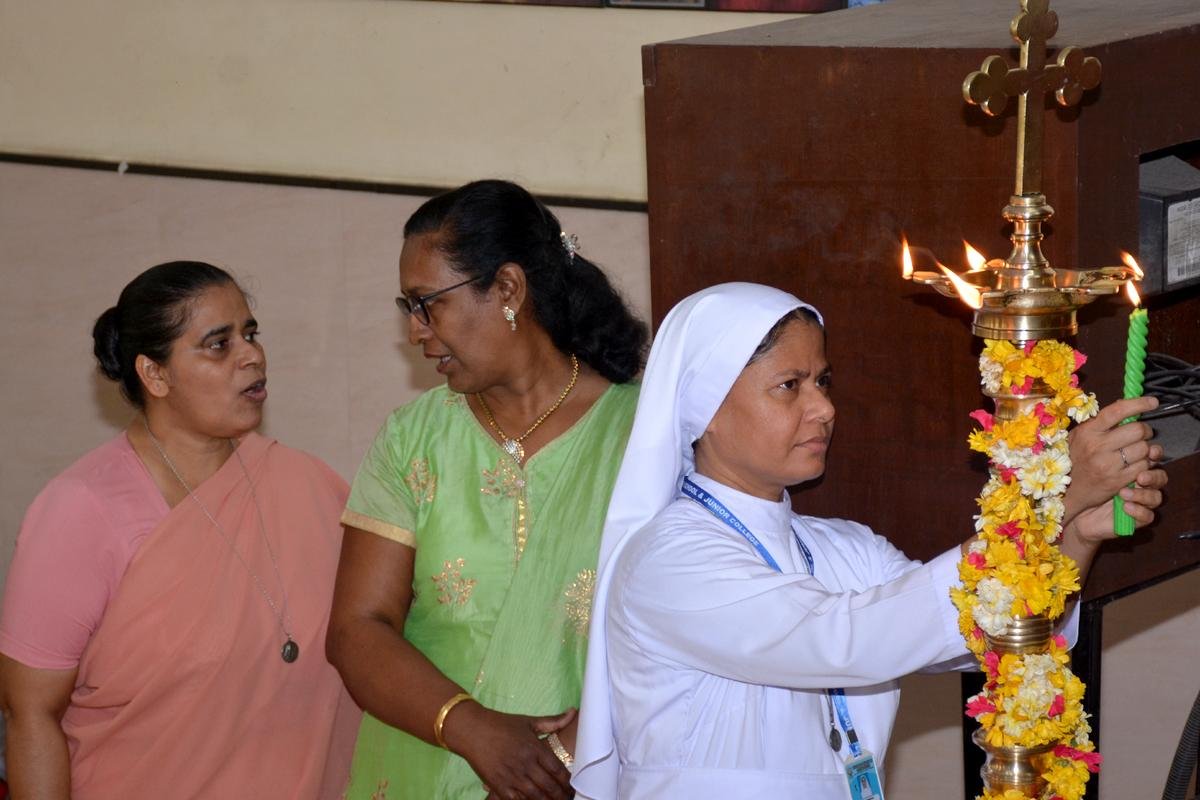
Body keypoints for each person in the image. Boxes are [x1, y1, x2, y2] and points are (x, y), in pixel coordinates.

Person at [572, 282, 1166, 799]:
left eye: (823, 381)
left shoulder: (845, 549)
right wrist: (1051, 500)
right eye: (789, 385)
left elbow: (981, 636)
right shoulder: (668, 559)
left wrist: (1074, 532)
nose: (824, 408)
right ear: (705, 405)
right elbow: (842, 639)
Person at [326, 180, 648, 800]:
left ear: (507, 289)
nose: (416, 331)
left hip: (590, 773)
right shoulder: (413, 439)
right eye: (408, 308)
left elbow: (684, 627)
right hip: (424, 765)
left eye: (428, 304)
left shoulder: (641, 435)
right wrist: (472, 729)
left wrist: (565, 752)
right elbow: (357, 629)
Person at [0, 261, 360, 799]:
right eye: (219, 344)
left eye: (251, 333)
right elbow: (30, 714)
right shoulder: (80, 510)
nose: (252, 355)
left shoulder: (306, 484)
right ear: (155, 375)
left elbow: (375, 633)